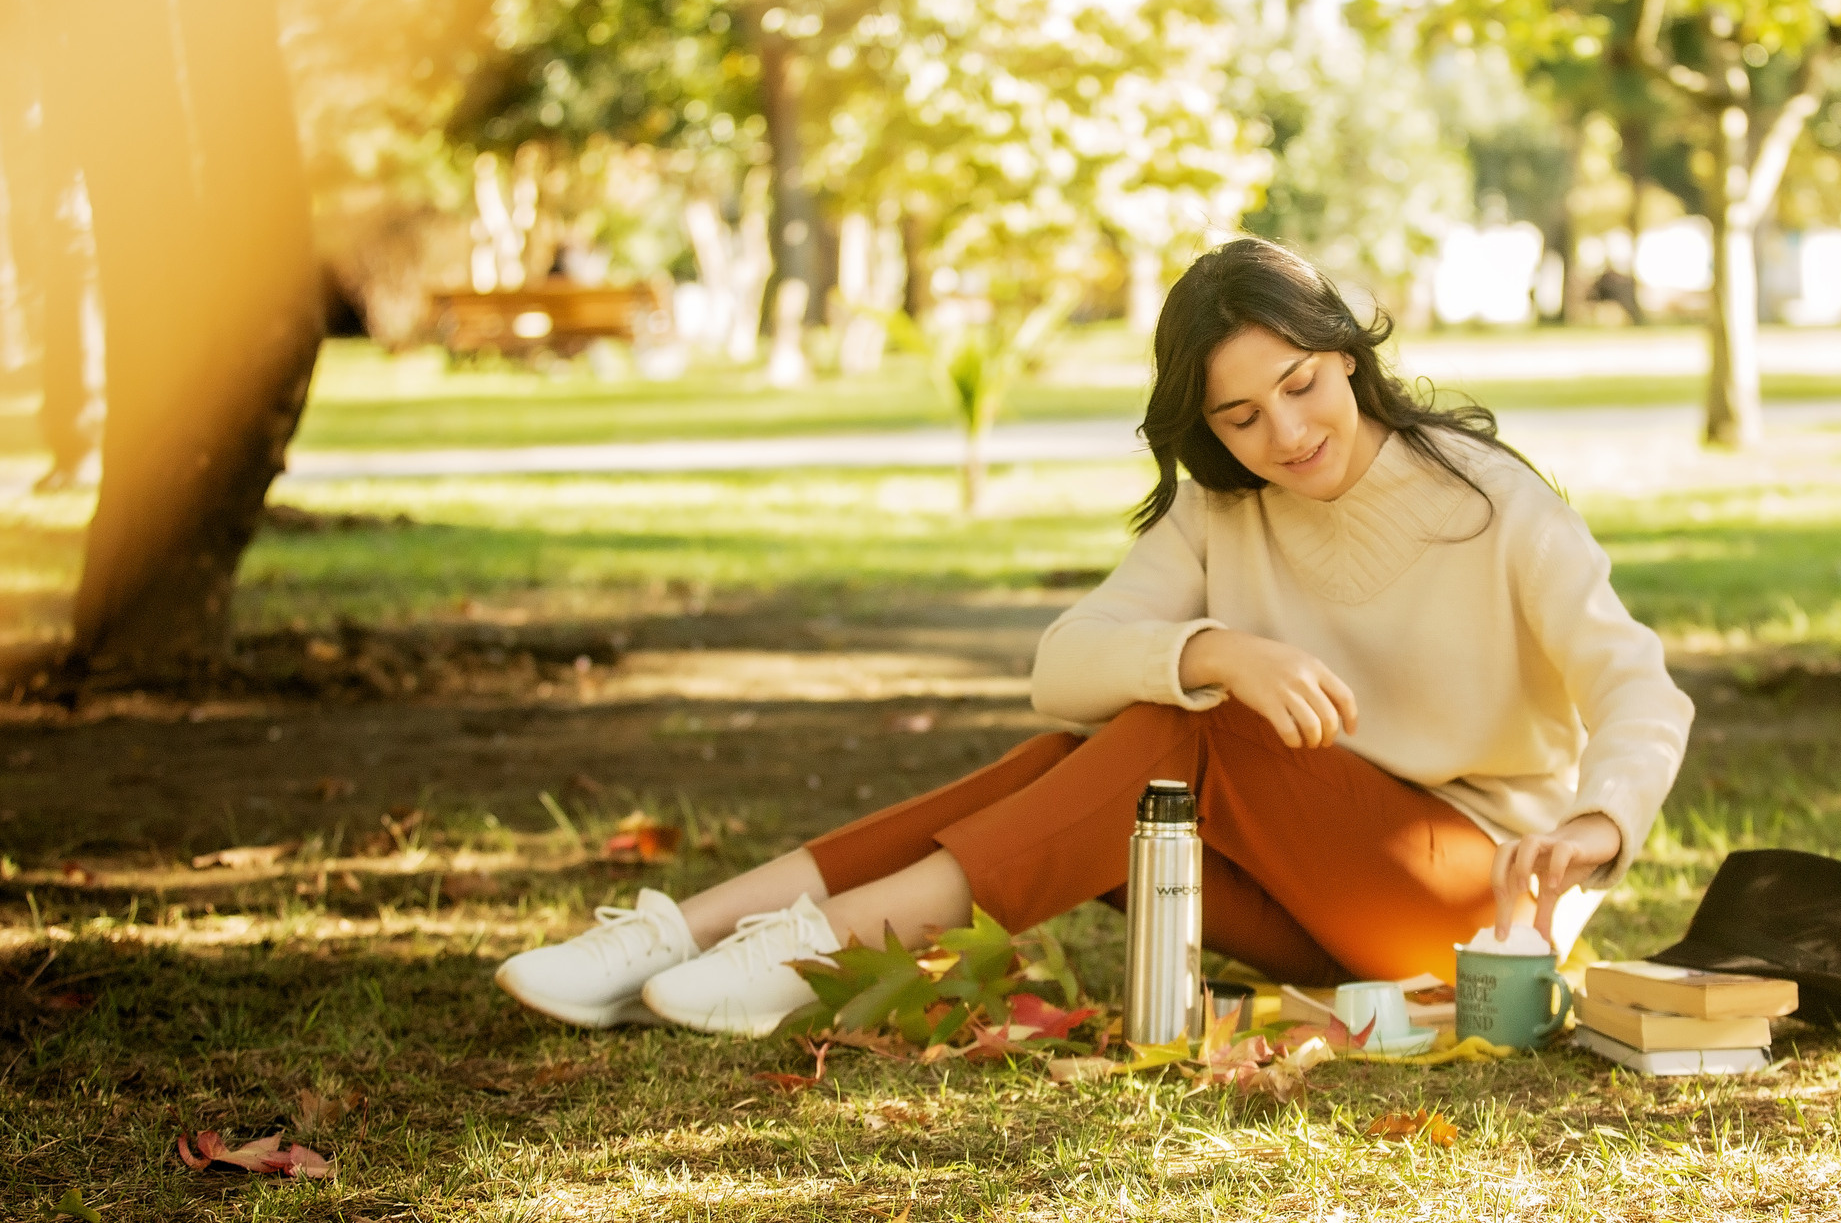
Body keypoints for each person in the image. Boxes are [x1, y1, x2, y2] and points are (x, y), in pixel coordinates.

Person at [495, 237, 1695, 1037]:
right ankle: (686, 934)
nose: (1284, 431)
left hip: (1477, 917)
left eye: (1302, 384)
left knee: (1190, 736)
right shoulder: (1224, 504)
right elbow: (1060, 669)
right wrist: (1219, 646)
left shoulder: (1489, 501)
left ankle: (817, 949)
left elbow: (1636, 686)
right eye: (1239, 415)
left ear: (1345, 355)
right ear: (1206, 427)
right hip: (1302, 903)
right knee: (1096, 757)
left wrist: (1598, 822)